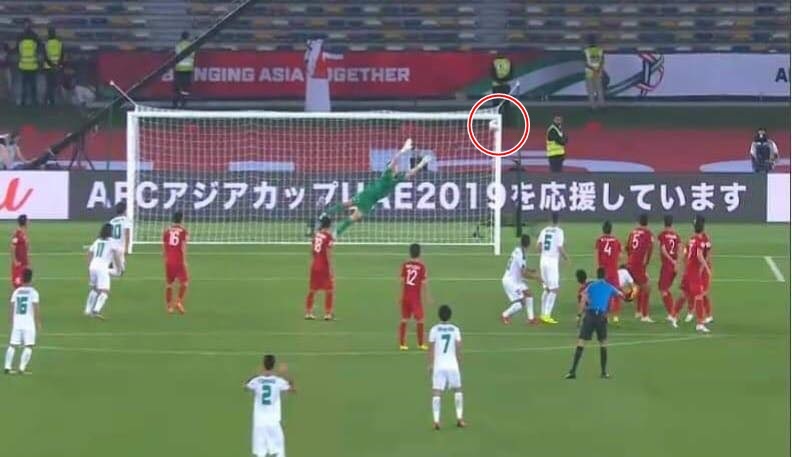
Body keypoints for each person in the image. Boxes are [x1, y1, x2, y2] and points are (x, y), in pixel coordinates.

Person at [324, 138, 431, 236]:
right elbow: (394, 160)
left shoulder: (398, 178)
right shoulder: (387, 174)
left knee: (351, 210)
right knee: (351, 209)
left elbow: (411, 173)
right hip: (368, 196)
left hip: (370, 198)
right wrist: (403, 150)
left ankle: (331, 223)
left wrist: (422, 164)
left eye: (396, 167)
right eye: (394, 166)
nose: (396, 167)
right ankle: (331, 223)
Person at [566, 267, 623, 380]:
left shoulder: (590, 286)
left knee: (581, 342)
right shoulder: (610, 286)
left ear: (597, 275)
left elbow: (583, 300)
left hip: (590, 316)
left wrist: (579, 315)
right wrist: (630, 295)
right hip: (601, 317)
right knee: (603, 343)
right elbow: (622, 295)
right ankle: (604, 372)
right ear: (605, 276)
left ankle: (572, 371)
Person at [244, 354, 295, 457]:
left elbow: (245, 385)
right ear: (274, 365)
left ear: (263, 365)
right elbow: (293, 389)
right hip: (273, 422)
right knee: (279, 452)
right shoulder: (278, 381)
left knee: (260, 453)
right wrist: (285, 373)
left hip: (259, 423)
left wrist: (258, 373)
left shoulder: (257, 381)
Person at [428, 304, 465, 430]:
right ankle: (459, 419)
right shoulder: (455, 329)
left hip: (439, 365)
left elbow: (431, 349)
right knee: (458, 390)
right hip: (452, 364)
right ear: (450, 315)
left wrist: (430, 364)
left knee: (436, 392)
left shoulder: (434, 330)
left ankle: (436, 421)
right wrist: (459, 361)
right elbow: (458, 347)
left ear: (439, 315)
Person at [675, 217, 712, 333]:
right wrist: (705, 268)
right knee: (696, 294)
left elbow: (707, 254)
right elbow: (699, 255)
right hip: (695, 270)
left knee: (695, 293)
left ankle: (703, 316)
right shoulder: (698, 239)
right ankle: (697, 319)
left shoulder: (698, 239)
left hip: (695, 269)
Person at [4, 268, 40, 375]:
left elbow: (12, 307)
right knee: (29, 345)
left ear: (22, 278)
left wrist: (11, 320)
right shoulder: (33, 293)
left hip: (17, 321)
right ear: (31, 278)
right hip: (28, 322)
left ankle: (7, 367)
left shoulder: (16, 292)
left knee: (12, 344)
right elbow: (35, 308)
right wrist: (38, 322)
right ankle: (21, 368)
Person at [84, 223, 124, 319]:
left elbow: (89, 253)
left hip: (93, 266)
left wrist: (89, 266)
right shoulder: (111, 242)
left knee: (94, 289)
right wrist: (120, 268)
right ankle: (96, 311)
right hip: (102, 268)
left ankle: (87, 310)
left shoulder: (97, 241)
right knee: (105, 291)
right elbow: (116, 256)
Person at [537, 212, 568, 324]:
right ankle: (547, 315)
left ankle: (542, 313)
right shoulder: (559, 232)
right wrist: (566, 258)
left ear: (550, 220)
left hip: (543, 260)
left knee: (546, 288)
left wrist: (544, 253)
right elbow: (560, 247)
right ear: (558, 220)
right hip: (552, 262)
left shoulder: (544, 230)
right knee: (554, 289)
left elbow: (538, 246)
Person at [500, 234, 538, 325]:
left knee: (529, 294)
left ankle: (531, 319)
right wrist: (536, 278)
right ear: (529, 244)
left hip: (516, 280)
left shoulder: (517, 250)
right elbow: (523, 273)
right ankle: (505, 315)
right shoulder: (522, 255)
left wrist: (530, 270)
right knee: (521, 303)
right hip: (510, 282)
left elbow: (521, 267)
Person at [399, 243, 431, 350]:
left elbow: (402, 281)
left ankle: (402, 344)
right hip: (415, 298)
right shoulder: (421, 267)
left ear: (410, 253)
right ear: (419, 253)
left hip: (405, 295)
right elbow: (424, 283)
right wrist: (427, 297)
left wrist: (400, 296)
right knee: (420, 319)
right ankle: (420, 343)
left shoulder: (405, 265)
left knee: (404, 319)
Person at [305, 215, 334, 321]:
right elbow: (327, 252)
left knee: (312, 290)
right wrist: (330, 267)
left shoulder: (316, 235)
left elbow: (312, 250)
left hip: (314, 265)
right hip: (324, 266)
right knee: (329, 290)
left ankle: (308, 312)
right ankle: (328, 314)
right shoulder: (328, 236)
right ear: (329, 225)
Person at [626, 213, 654, 322]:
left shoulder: (633, 232)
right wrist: (646, 262)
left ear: (639, 222)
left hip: (631, 262)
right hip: (638, 264)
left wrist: (630, 259)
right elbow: (650, 249)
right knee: (647, 287)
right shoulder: (648, 233)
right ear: (647, 222)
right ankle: (645, 316)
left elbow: (628, 247)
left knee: (638, 286)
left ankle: (638, 312)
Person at [594, 220, 622, 323]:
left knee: (604, 294)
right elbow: (620, 256)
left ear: (603, 229)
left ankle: (605, 316)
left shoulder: (599, 240)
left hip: (603, 272)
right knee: (616, 293)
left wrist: (598, 267)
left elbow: (597, 255)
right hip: (613, 271)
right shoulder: (616, 240)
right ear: (611, 229)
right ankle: (616, 317)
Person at [657, 215, 682, 327]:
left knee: (663, 290)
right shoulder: (676, 235)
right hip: (674, 266)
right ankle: (672, 312)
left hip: (667, 265)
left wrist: (671, 261)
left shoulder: (662, 235)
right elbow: (680, 249)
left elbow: (663, 249)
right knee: (665, 289)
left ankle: (672, 313)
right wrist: (677, 262)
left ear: (664, 223)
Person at [163, 211, 189, 314]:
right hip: (179, 261)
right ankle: (178, 301)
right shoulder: (183, 231)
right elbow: (183, 247)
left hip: (169, 261)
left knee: (169, 284)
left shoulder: (167, 231)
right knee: (185, 282)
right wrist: (185, 260)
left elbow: (164, 247)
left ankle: (169, 307)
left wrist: (166, 258)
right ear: (181, 219)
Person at [16, 19, 42, 107]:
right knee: (32, 84)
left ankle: (24, 101)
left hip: (24, 65)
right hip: (32, 65)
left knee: (25, 84)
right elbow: (39, 48)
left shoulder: (20, 36)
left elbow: (18, 49)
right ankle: (33, 101)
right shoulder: (34, 36)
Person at [108, 201, 131, 277]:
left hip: (112, 246)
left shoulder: (112, 221)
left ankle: (110, 265)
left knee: (120, 270)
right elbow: (127, 235)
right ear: (125, 210)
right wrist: (127, 248)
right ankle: (102, 271)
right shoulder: (126, 220)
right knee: (119, 272)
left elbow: (109, 235)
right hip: (119, 249)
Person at [173, 31, 195, 108]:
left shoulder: (178, 45)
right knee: (185, 88)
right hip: (188, 68)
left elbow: (176, 55)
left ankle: (175, 103)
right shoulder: (191, 45)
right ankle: (183, 103)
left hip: (179, 68)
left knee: (177, 87)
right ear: (188, 37)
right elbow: (193, 56)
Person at [42, 26, 63, 106]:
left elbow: (45, 56)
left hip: (48, 66)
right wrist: (58, 65)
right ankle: (50, 101)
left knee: (49, 85)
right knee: (54, 85)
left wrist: (51, 65)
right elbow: (61, 55)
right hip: (56, 66)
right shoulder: (59, 43)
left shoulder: (46, 43)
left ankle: (48, 100)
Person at [583, 35, 605, 109]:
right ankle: (602, 105)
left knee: (591, 91)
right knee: (599, 90)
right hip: (598, 72)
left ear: (589, 43)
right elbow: (602, 61)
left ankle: (593, 106)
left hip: (589, 73)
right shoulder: (600, 50)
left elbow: (585, 63)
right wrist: (598, 69)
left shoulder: (586, 51)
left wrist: (592, 69)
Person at [10, 214, 29, 290]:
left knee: (24, 283)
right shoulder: (17, 234)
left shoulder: (23, 233)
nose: (28, 222)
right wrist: (15, 260)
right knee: (17, 283)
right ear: (24, 222)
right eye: (27, 220)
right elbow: (12, 246)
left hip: (24, 262)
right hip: (18, 263)